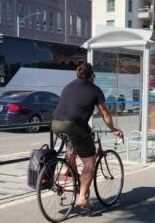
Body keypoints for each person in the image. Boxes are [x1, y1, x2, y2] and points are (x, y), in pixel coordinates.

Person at [52, 62, 123, 209]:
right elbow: (105, 113)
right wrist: (113, 129)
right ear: (92, 76)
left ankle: (70, 168)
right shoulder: (95, 90)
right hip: (74, 126)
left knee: (75, 139)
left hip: (55, 124)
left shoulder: (68, 86)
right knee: (90, 163)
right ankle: (82, 198)